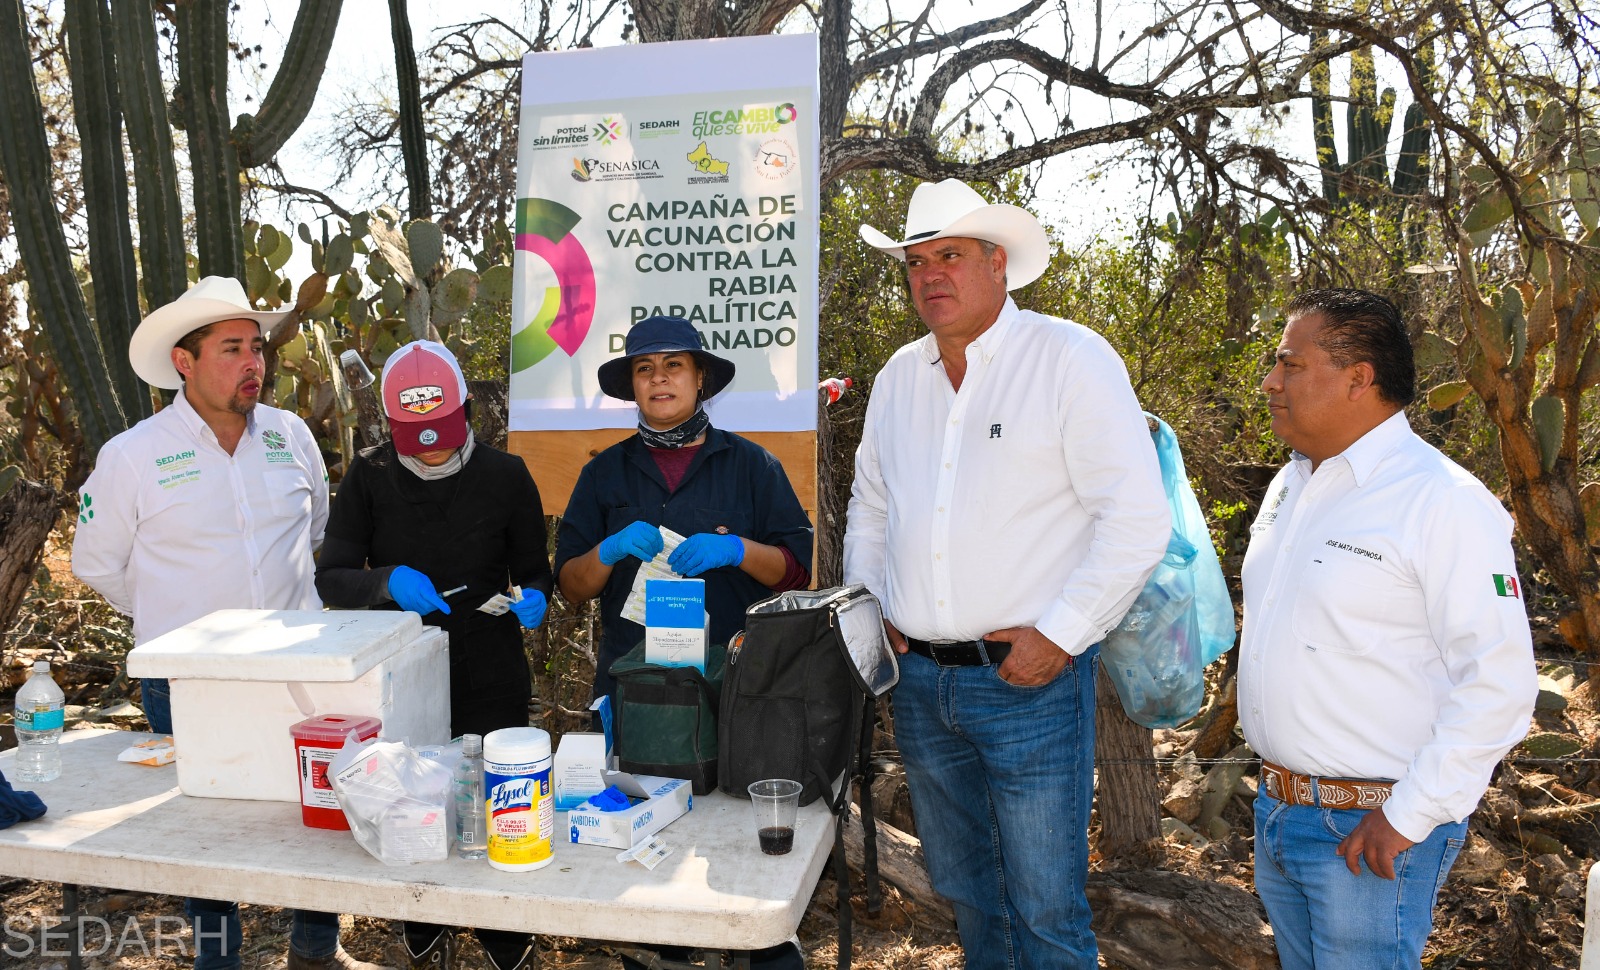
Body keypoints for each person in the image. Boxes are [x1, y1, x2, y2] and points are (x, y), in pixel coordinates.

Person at [842, 178, 1170, 969]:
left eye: (949, 256)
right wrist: (873, 610)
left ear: (998, 263)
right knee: (969, 892)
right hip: (921, 684)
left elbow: (1136, 519)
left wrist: (1060, 636)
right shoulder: (899, 378)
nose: (930, 275)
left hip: (1031, 682)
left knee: (1046, 906)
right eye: (915, 262)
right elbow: (872, 509)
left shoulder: (1069, 359)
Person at [71, 276, 390, 970]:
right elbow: (97, 564)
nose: (254, 363)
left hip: (300, 665)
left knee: (318, 802)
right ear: (183, 362)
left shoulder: (291, 436)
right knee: (203, 825)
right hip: (189, 679)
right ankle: (219, 960)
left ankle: (316, 950)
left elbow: (318, 535)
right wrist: (171, 622)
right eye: (232, 349)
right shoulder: (133, 455)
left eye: (257, 347)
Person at [1241, 288, 1537, 969]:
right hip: (1278, 809)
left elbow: (1500, 684)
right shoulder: (1290, 485)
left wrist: (1409, 817)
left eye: (1290, 364)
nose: (1270, 382)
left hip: (1370, 828)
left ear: (1359, 378)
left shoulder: (1442, 501)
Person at [553, 314, 812, 970]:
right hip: (636, 698)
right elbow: (572, 585)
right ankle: (659, 955)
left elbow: (797, 570)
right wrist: (609, 549)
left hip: (734, 694)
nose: (659, 378)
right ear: (632, 387)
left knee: (741, 852)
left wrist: (737, 549)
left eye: (674, 365)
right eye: (645, 368)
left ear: (701, 380)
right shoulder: (605, 474)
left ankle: (760, 948)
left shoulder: (751, 466)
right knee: (643, 862)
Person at [314, 339, 550, 970]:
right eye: (415, 440)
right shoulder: (370, 477)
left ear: (467, 411)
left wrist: (535, 597)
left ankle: (504, 931)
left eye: (443, 434)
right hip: (406, 670)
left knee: (503, 795)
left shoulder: (506, 475)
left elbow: (534, 568)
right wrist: (385, 581)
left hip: (491, 664)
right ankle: (424, 921)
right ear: (392, 426)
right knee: (412, 799)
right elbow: (332, 576)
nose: (432, 451)